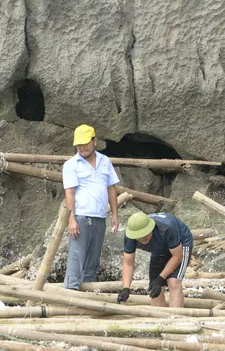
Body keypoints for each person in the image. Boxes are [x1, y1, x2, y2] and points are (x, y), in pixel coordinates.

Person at [61, 124, 120, 289]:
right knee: (76, 258)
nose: (81, 148)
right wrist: (71, 220)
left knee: (93, 260)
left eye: (85, 143)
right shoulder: (71, 165)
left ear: (95, 141)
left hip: (100, 217)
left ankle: (88, 294)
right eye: (78, 144)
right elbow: (69, 194)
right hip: (81, 217)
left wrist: (114, 214)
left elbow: (111, 188)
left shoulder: (105, 161)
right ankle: (70, 294)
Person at [117, 211, 193, 308]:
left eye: (145, 233)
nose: (143, 237)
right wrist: (126, 288)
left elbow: (177, 256)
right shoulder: (130, 237)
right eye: (139, 236)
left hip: (181, 243)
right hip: (159, 248)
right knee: (154, 287)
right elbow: (128, 263)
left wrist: (160, 278)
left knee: (173, 281)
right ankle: (160, 319)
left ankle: (175, 318)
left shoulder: (166, 229)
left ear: (151, 228)